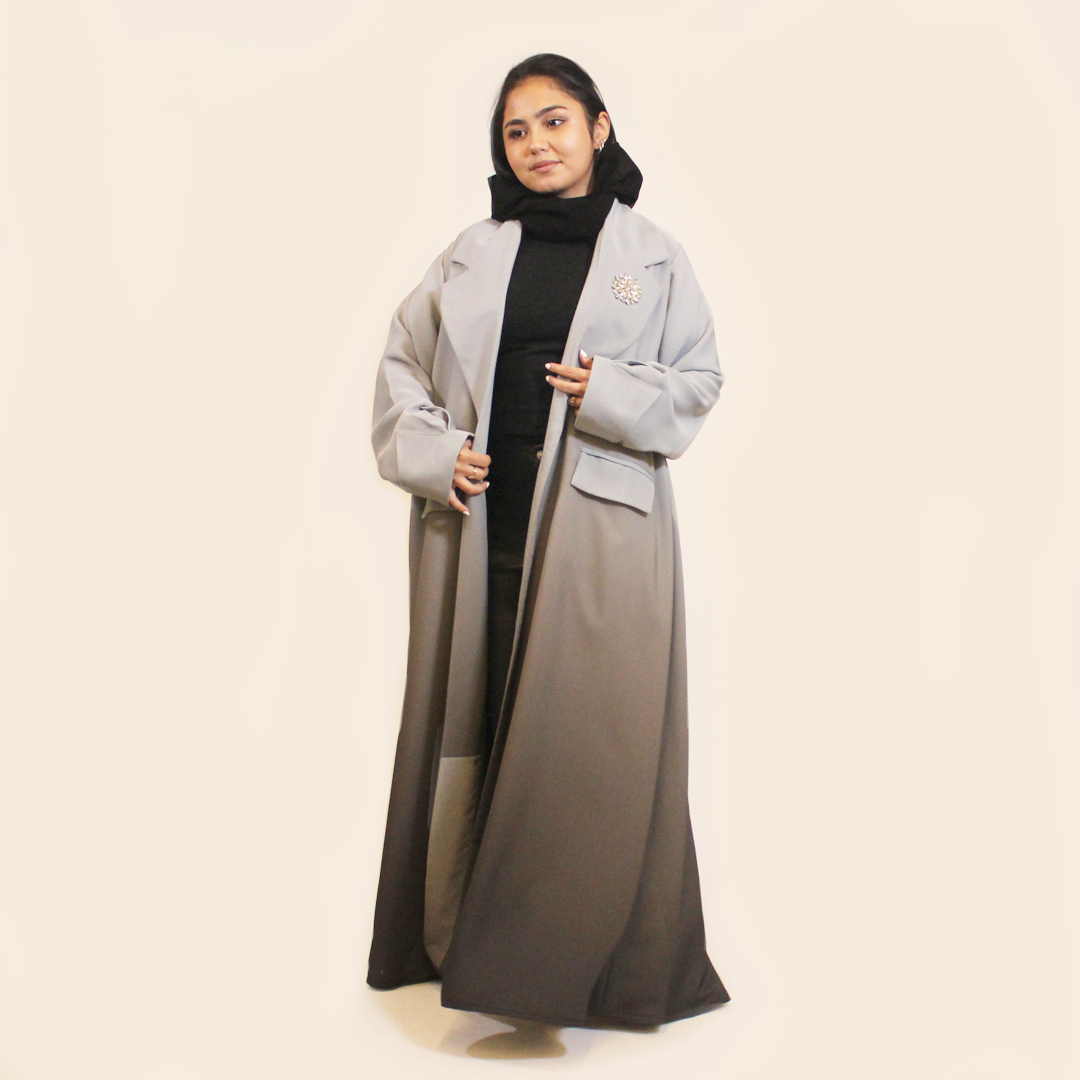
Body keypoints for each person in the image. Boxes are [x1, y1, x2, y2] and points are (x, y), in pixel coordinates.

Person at [368, 53, 730, 1028]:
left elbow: (699, 383)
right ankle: (469, 951)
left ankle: (571, 972)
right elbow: (401, 368)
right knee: (477, 722)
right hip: (482, 524)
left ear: (599, 129)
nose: (536, 143)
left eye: (555, 121)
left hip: (600, 534)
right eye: (516, 130)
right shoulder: (470, 252)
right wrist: (437, 453)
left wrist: (607, 390)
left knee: (585, 744)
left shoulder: (654, 255)